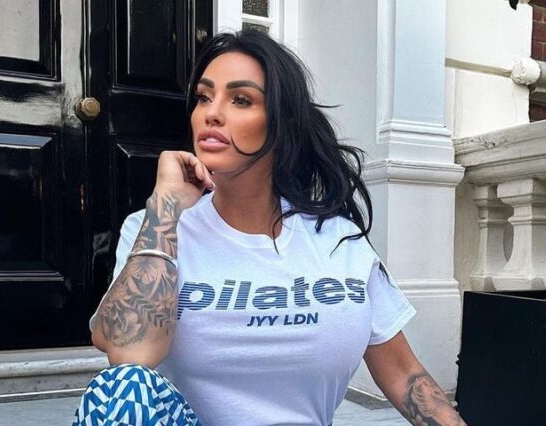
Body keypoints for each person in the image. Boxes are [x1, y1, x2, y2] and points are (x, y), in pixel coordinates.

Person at [73, 30, 468, 426]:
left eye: (241, 100)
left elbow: (405, 376)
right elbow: (129, 356)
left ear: (281, 124)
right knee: (123, 388)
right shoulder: (157, 229)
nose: (211, 113)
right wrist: (165, 206)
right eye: (204, 97)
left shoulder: (336, 240)